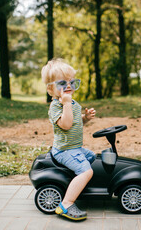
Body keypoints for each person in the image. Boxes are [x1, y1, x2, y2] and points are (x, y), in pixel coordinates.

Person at [41, 58, 96, 221]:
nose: (69, 86)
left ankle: (78, 185)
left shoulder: (72, 103)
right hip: (64, 150)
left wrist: (85, 118)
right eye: (63, 83)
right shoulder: (56, 107)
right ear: (51, 88)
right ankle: (66, 203)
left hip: (74, 147)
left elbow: (75, 122)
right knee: (87, 170)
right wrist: (65, 105)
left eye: (72, 82)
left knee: (92, 157)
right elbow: (66, 124)